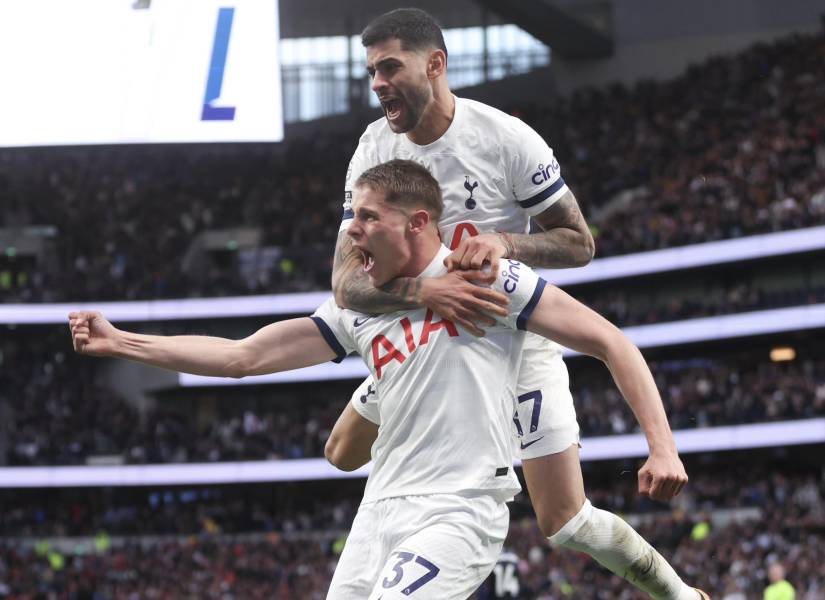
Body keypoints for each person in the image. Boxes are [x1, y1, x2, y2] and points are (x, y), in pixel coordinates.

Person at [71, 159, 695, 599]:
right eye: (352, 217)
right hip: (378, 512)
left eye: (368, 217)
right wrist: (122, 341)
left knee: (568, 520)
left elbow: (610, 341)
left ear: (418, 222)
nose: (353, 230)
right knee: (339, 452)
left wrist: (661, 446)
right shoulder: (361, 309)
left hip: (461, 508)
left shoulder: (486, 279)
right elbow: (243, 356)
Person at [327, 8, 707, 600]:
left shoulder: (504, 139)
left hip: (511, 339)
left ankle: (679, 594)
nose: (377, 82)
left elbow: (579, 242)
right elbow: (345, 284)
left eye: (389, 66)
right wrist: (429, 291)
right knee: (339, 452)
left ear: (436, 64)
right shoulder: (372, 148)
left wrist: (504, 241)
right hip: (418, 346)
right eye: (371, 70)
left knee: (566, 521)